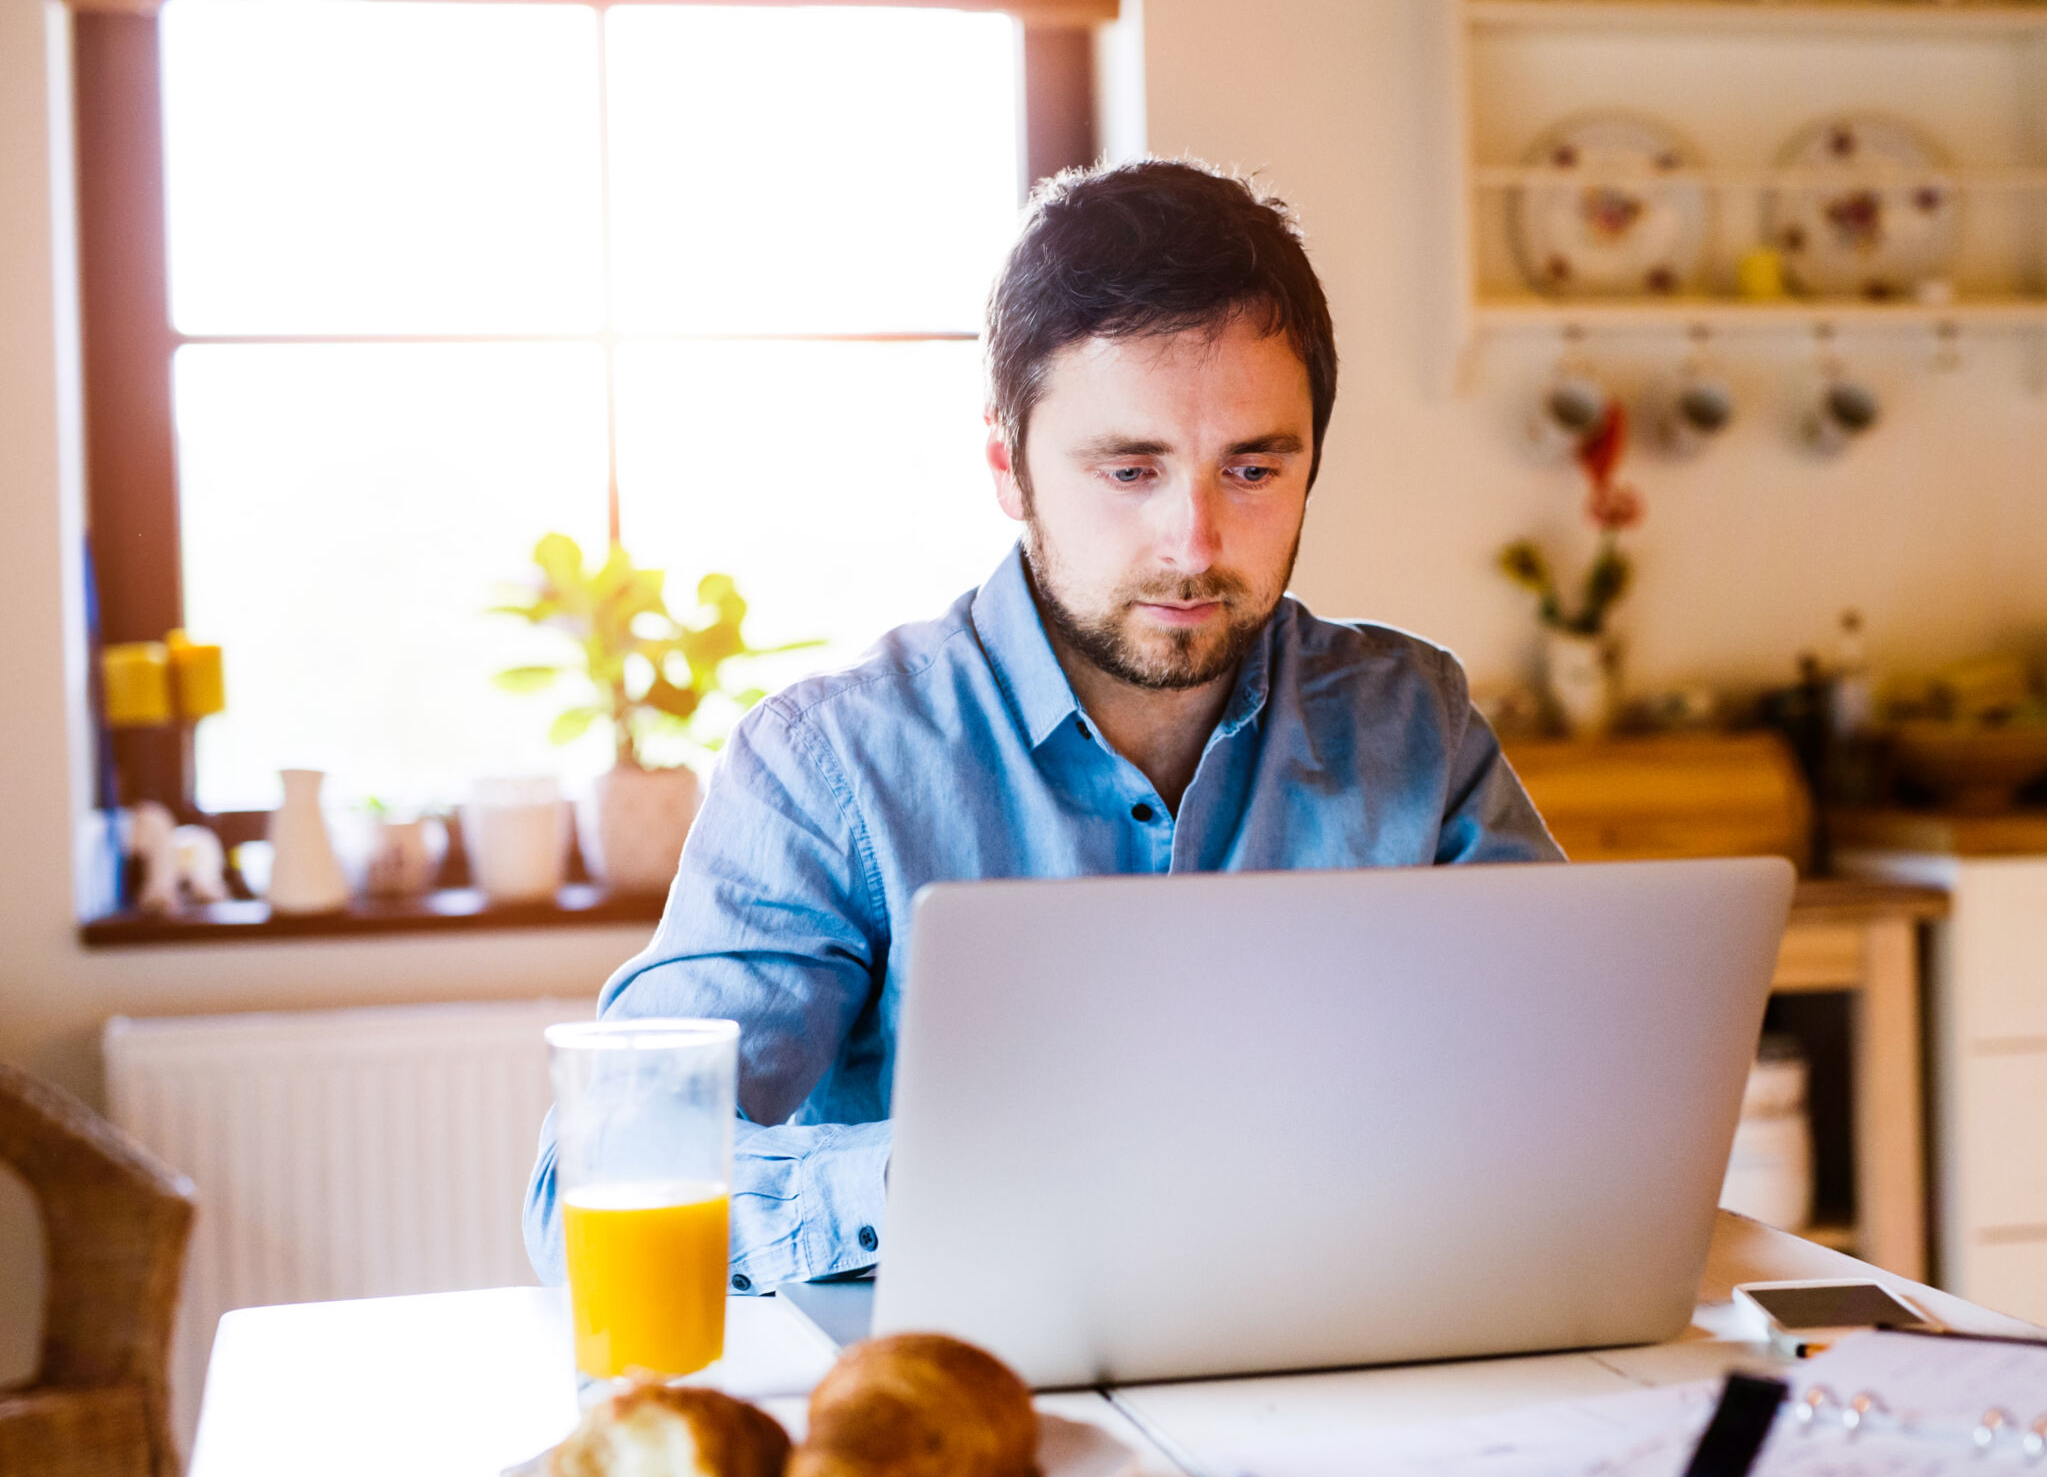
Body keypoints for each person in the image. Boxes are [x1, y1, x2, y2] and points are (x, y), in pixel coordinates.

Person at [524, 159, 1562, 1291]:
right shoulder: (831, 767)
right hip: (982, 1409)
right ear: (1006, 468)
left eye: (1254, 468)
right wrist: (955, 1176)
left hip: (1364, 1363)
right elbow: (589, 1193)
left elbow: (1573, 1088)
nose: (1195, 542)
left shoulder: (1415, 723)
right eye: (1129, 469)